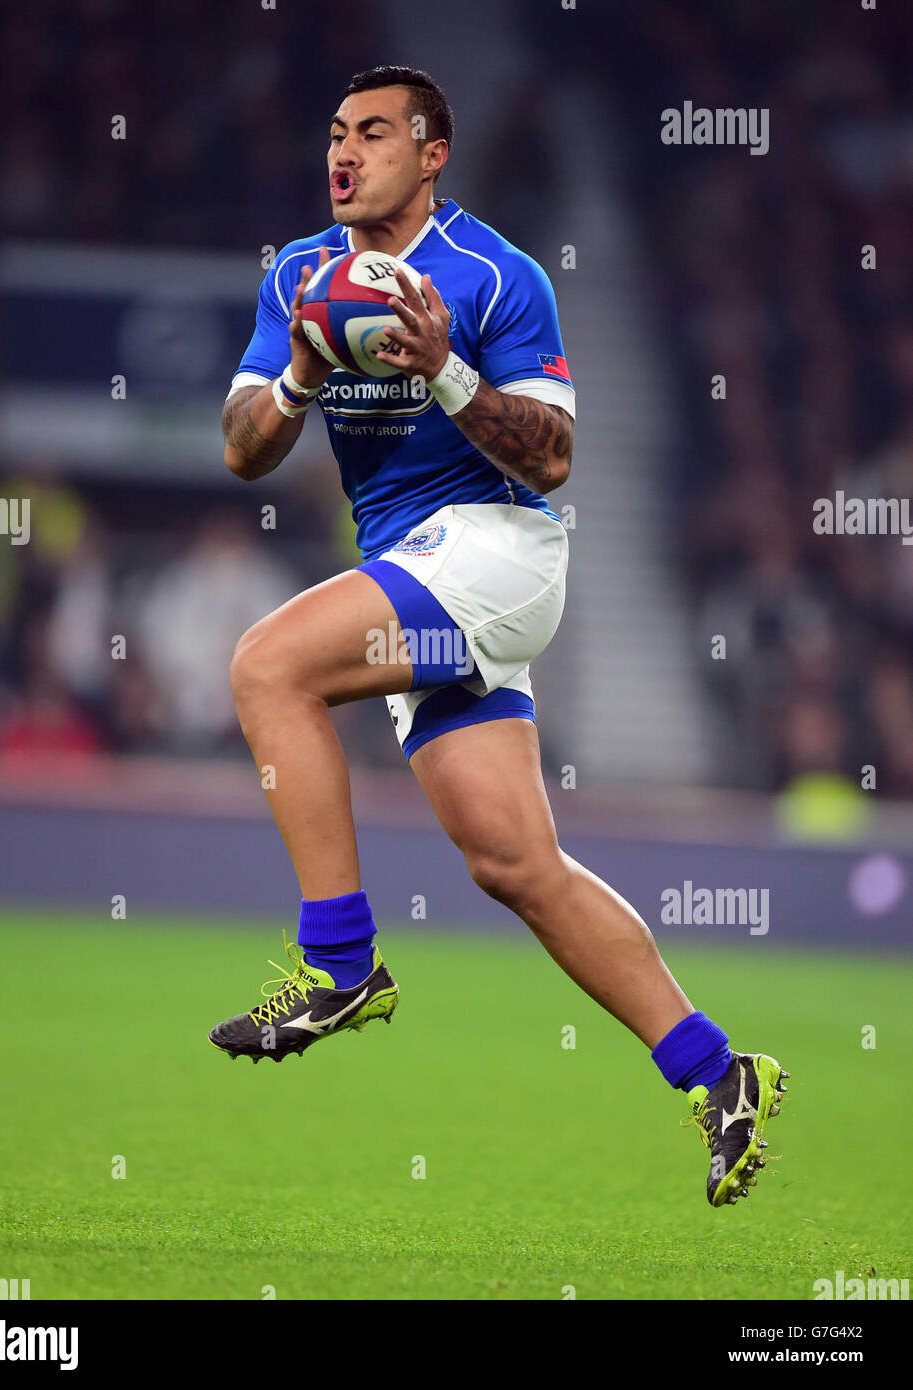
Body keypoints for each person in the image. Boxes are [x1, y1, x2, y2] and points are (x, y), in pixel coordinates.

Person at [209, 65, 786, 1207]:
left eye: (374, 134)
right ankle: (719, 1072)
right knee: (513, 864)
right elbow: (240, 447)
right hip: (417, 571)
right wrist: (296, 374)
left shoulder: (495, 276)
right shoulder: (298, 275)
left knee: (265, 665)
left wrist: (445, 370)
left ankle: (338, 965)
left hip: (492, 550)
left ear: (431, 155)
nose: (344, 152)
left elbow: (552, 458)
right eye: (335, 133)